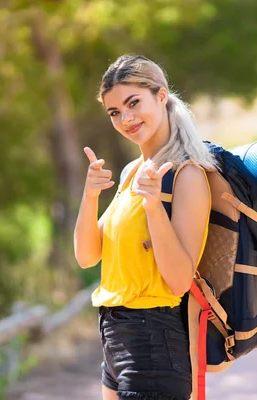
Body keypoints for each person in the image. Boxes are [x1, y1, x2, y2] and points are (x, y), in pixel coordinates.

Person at [74, 54, 218, 400]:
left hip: (153, 341)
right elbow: (87, 256)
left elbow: (180, 280)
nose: (125, 118)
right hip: (114, 334)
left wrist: (154, 208)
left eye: (133, 102)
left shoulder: (188, 176)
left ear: (161, 96)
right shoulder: (132, 173)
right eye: (114, 112)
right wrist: (90, 195)